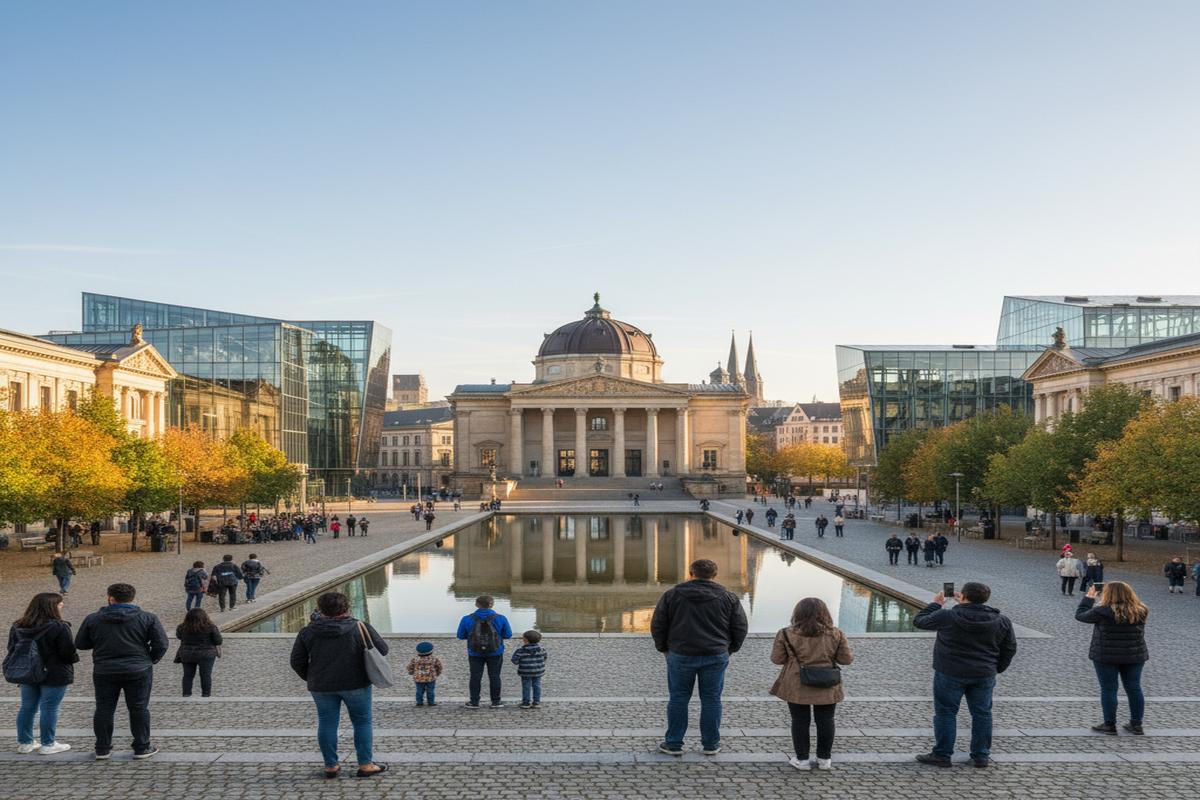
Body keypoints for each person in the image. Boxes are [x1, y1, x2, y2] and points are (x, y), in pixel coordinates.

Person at [650, 558, 748, 756]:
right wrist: (730, 649)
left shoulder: (672, 595)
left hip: (680, 654)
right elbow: (740, 627)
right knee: (711, 699)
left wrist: (664, 649)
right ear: (714, 575)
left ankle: (674, 743)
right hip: (715, 654)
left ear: (691, 573)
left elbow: (658, 625)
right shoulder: (728, 597)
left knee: (678, 698)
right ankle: (711, 744)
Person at [913, 582, 1016, 768]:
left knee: (945, 713)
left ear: (963, 596)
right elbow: (1009, 648)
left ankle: (942, 754)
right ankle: (981, 756)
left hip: (949, 672)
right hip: (984, 674)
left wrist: (936, 604)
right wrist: (996, 668)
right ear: (986, 598)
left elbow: (919, 621)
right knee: (982, 714)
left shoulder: (948, 615)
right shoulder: (1002, 620)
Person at [289, 592, 389, 778]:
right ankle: (366, 765)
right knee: (362, 722)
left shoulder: (307, 631)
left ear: (320, 609)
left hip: (321, 686)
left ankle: (331, 766)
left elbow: (296, 661)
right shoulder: (359, 627)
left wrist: (311, 676)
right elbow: (382, 649)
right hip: (357, 683)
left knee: (327, 723)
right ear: (346, 608)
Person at [74, 583, 169, 760]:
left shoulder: (93, 618)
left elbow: (81, 643)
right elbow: (162, 643)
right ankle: (141, 747)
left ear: (110, 598)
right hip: (139, 668)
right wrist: (151, 658)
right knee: (139, 708)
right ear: (132, 598)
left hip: (104, 670)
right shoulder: (147, 618)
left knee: (104, 708)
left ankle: (102, 748)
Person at [769, 598, 854, 771]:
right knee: (826, 720)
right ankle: (824, 760)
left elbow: (777, 659)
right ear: (825, 614)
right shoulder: (836, 634)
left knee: (799, 720)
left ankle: (802, 760)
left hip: (796, 683)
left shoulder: (786, 633)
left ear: (797, 613)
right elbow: (846, 659)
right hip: (827, 684)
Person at [7, 592, 79, 755]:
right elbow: (67, 652)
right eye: (60, 604)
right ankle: (48, 743)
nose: (62, 606)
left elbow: (11, 648)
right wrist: (74, 659)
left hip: (27, 671)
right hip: (54, 672)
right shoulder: (60, 626)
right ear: (52, 607)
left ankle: (25, 743)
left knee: (27, 707)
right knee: (49, 707)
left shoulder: (18, 626)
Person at [1076, 582, 1148, 734]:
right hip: (1134, 655)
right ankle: (1136, 724)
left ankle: (1109, 724)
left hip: (1106, 655)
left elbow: (1080, 615)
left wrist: (1089, 598)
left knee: (1109, 689)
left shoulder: (1102, 611)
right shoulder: (1141, 610)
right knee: (1134, 688)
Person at [456, 595, 513, 708]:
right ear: (491, 604)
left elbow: (460, 635)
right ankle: (496, 701)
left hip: (474, 652)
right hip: (495, 652)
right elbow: (508, 635)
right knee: (495, 676)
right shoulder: (501, 618)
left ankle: (474, 702)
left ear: (477, 604)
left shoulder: (466, 619)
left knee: (475, 676)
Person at [174, 608, 222, 698]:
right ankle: (206, 694)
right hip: (206, 654)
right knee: (206, 675)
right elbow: (218, 641)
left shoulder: (182, 627)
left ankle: (186, 694)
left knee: (188, 675)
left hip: (187, 653)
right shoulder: (211, 627)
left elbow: (179, 636)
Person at [511, 629, 549, 709]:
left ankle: (526, 703)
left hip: (525, 672)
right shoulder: (542, 649)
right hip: (538, 671)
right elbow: (545, 658)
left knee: (526, 687)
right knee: (537, 686)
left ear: (526, 640)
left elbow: (515, 661)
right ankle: (536, 702)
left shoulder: (521, 650)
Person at [406, 641, 442, 707]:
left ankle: (419, 702)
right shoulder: (434, 659)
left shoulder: (415, 659)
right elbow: (439, 667)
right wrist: (437, 673)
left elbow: (410, 667)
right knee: (430, 691)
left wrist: (411, 672)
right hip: (431, 678)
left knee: (419, 691)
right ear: (431, 651)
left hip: (418, 678)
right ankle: (431, 702)